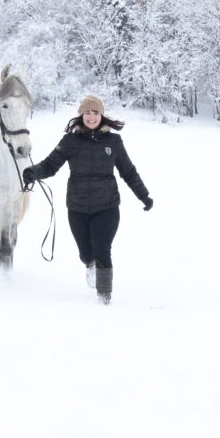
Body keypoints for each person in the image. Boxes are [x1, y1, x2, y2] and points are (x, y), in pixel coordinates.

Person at [22, 95, 152, 304]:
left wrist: (143, 195)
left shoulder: (113, 141)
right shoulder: (70, 141)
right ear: (81, 115)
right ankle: (88, 264)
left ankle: (104, 299)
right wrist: (33, 172)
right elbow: (50, 165)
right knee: (86, 253)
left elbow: (128, 171)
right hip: (77, 206)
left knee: (102, 250)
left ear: (102, 115)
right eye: (87, 113)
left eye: (96, 113)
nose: (91, 117)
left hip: (107, 206)